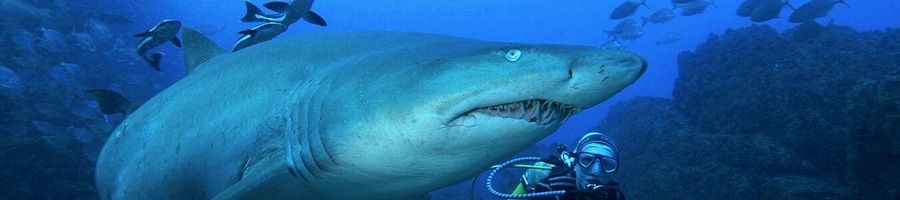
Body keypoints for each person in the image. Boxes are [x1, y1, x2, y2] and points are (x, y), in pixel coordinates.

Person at [506, 132, 626, 200]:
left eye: (606, 164)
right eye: (587, 160)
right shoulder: (551, 189)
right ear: (575, 163)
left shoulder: (615, 197)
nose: (596, 171)